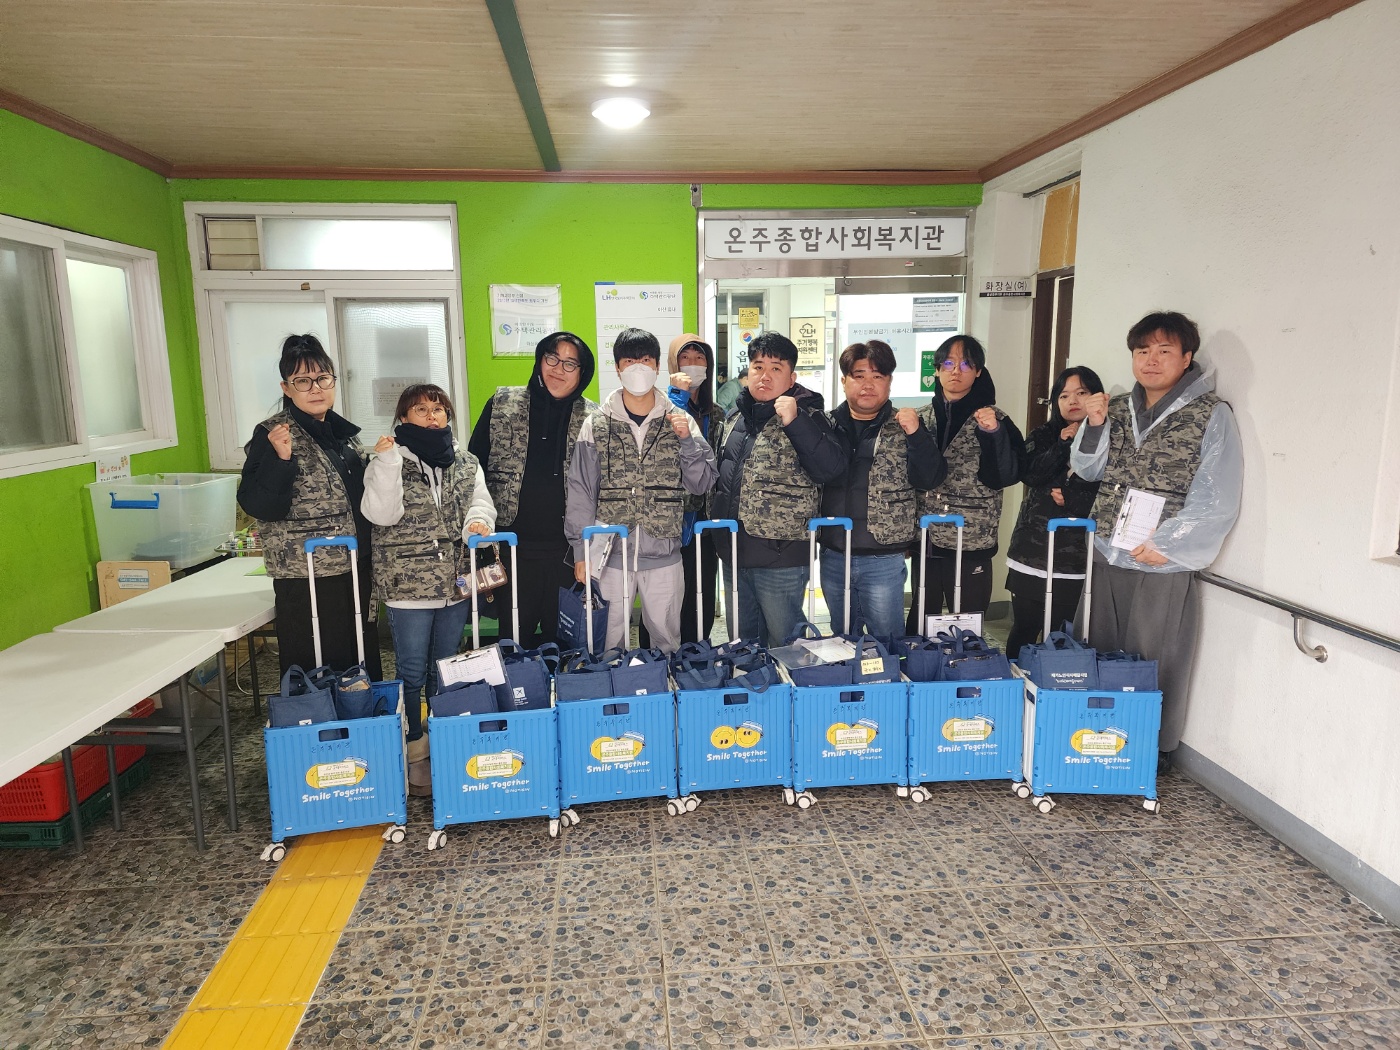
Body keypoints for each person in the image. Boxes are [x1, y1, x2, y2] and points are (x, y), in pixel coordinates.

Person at [1071, 311, 1242, 770]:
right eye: (1143, 351)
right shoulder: (1116, 407)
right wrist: (1094, 424)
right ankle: (1090, 734)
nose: (1151, 360)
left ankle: (1151, 747)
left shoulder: (1211, 414)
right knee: (1096, 646)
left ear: (1187, 358)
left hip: (1160, 560)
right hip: (1106, 550)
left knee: (1156, 655)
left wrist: (1170, 544)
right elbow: (1087, 469)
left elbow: (1217, 494)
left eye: (1164, 351)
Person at [362, 384, 496, 796]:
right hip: (407, 584)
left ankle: (442, 736)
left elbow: (481, 501)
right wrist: (387, 464)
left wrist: (477, 522)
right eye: (420, 409)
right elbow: (381, 514)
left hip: (453, 583)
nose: (431, 416)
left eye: (438, 409)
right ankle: (412, 746)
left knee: (446, 666)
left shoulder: (465, 460)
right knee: (411, 670)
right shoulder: (387, 459)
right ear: (403, 418)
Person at [565, 328, 717, 653]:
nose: (638, 368)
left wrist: (687, 443)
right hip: (609, 557)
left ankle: (662, 688)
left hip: (664, 556)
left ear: (658, 366)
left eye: (645, 360)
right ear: (618, 367)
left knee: (667, 643)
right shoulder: (596, 423)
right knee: (606, 645)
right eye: (629, 361)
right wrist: (580, 550)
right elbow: (581, 490)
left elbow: (702, 482)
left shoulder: (680, 419)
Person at [238, 335, 382, 680]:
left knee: (359, 659)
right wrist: (281, 460)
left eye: (323, 378)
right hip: (308, 576)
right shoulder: (273, 435)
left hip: (354, 566)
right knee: (318, 667)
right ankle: (319, 716)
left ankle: (364, 713)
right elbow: (259, 505)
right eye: (303, 381)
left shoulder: (342, 435)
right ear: (286, 388)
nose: (315, 388)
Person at [710, 332, 847, 648]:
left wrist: (795, 422)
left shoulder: (810, 416)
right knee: (742, 645)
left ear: (792, 377)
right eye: (758, 367)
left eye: (776, 368)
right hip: (734, 554)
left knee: (787, 645)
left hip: (782, 557)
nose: (765, 376)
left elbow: (830, 469)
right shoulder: (734, 418)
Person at [468, 332, 597, 647]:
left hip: (567, 553)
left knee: (566, 640)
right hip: (511, 548)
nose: (558, 369)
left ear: (582, 373)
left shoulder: (593, 417)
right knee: (513, 639)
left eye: (570, 364)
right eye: (552, 358)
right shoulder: (502, 403)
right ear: (540, 360)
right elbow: (474, 467)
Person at [819, 340, 946, 639]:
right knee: (842, 638)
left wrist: (916, 434)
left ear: (889, 381)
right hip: (834, 554)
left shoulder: (906, 424)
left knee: (888, 640)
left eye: (877, 376)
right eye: (859, 375)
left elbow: (930, 477)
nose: (868, 384)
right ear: (844, 381)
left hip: (883, 558)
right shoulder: (825, 425)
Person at [905, 334, 1024, 635]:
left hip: (971, 538)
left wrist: (993, 434)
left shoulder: (995, 419)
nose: (956, 371)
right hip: (926, 536)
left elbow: (1006, 475)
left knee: (968, 622)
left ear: (979, 371)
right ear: (936, 370)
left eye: (966, 364)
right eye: (948, 364)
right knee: (922, 617)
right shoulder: (920, 418)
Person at [1004, 366, 1104, 658]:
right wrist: (1062, 444)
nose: (1072, 400)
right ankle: (1015, 679)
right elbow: (1030, 474)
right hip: (1032, 551)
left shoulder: (1108, 437)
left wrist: (1074, 498)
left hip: (1076, 558)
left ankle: (1055, 683)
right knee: (1025, 627)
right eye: (1063, 395)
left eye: (1081, 393)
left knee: (1064, 633)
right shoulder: (1044, 434)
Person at [664, 334, 726, 644]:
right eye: (684, 358)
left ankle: (697, 656)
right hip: (668, 520)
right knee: (665, 598)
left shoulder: (717, 414)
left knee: (701, 592)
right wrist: (676, 397)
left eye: (699, 358)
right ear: (673, 364)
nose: (692, 364)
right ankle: (658, 662)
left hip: (707, 520)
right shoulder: (660, 407)